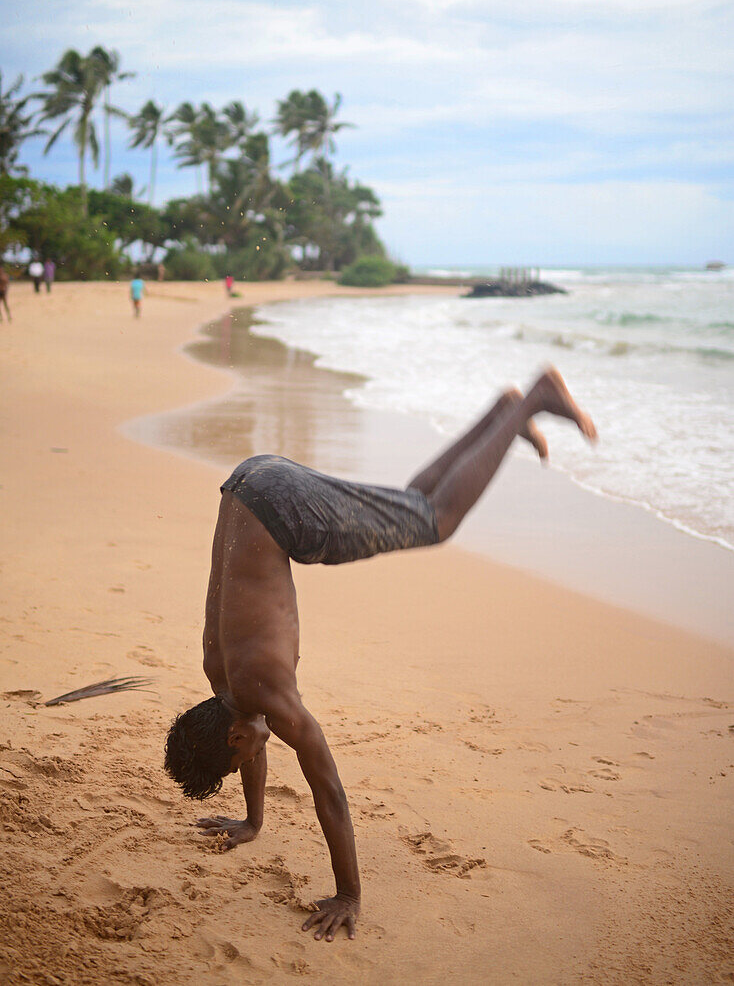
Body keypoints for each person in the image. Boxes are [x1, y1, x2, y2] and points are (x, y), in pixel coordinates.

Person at [164, 368, 597, 943]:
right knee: (409, 509)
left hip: (284, 511)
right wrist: (253, 821)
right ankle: (503, 412)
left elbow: (330, 793)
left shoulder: (266, 698)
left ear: (237, 737)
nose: (249, 764)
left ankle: (533, 401)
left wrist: (348, 894)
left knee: (435, 521)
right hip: (251, 483)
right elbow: (250, 730)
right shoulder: (220, 676)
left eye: (240, 762)